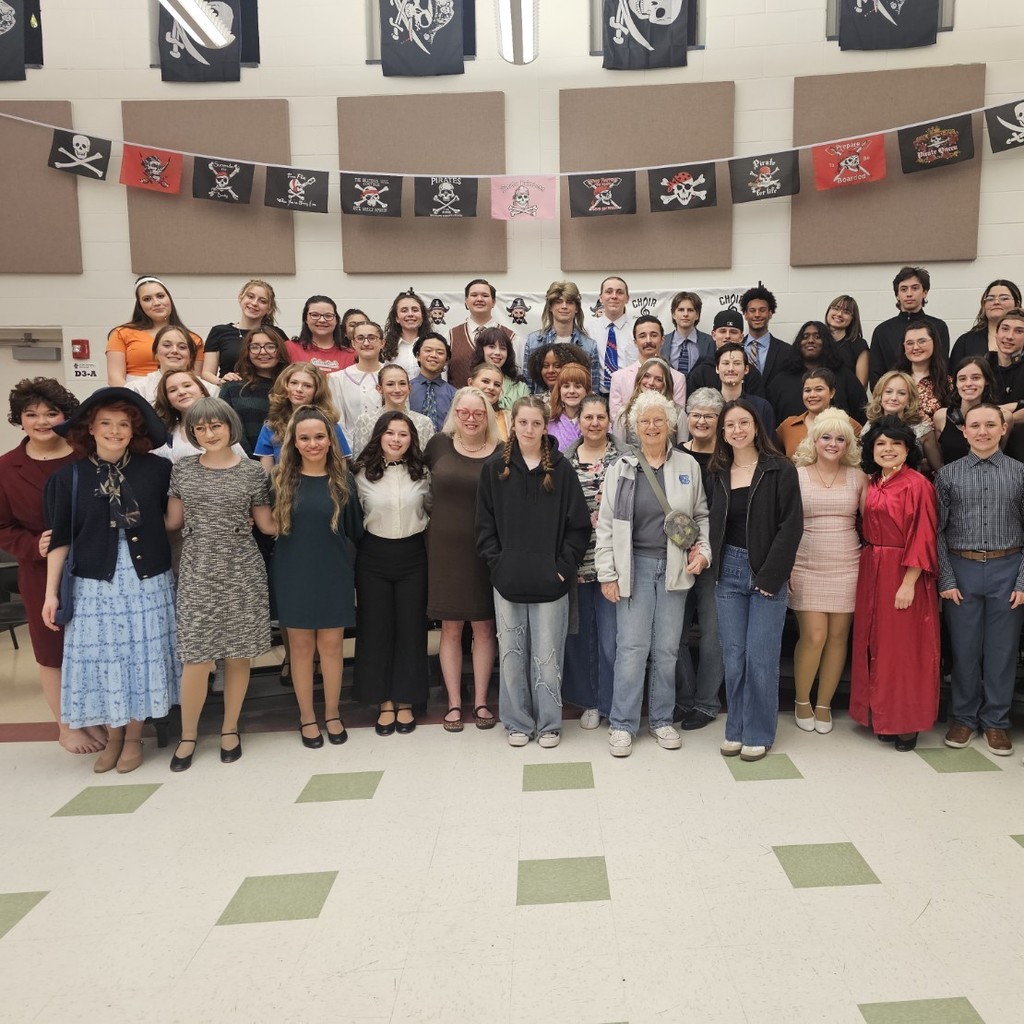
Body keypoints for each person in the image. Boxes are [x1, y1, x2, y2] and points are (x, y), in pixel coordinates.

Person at [42, 389, 180, 774]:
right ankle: (113, 735)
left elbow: (173, 521)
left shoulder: (157, 470)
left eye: (123, 424)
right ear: (91, 427)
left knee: (139, 657)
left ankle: (133, 737)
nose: (115, 431)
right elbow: (61, 538)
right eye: (106, 423)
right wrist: (51, 594)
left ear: (133, 429)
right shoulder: (67, 477)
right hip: (94, 585)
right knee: (107, 660)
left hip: (147, 580)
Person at [596, 391, 711, 758]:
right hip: (635, 568)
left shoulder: (688, 466)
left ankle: (661, 720)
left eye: (658, 420)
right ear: (634, 427)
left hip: (675, 568)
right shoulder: (622, 467)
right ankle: (623, 724)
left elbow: (701, 516)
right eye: (644, 421)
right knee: (631, 648)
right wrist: (607, 573)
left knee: (666, 649)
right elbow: (607, 525)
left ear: (670, 425)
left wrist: (704, 552)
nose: (651, 426)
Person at [164, 399, 275, 771]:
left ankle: (230, 728)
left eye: (215, 426)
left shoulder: (251, 473)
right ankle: (189, 734)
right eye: (199, 429)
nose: (208, 434)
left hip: (242, 569)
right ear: (192, 433)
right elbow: (172, 522)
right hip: (197, 570)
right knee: (196, 658)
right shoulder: (182, 470)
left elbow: (267, 526)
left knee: (238, 654)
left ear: (230, 426)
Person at [476, 396, 591, 747]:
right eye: (522, 423)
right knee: (511, 656)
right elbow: (484, 527)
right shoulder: (494, 469)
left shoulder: (562, 469)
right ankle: (517, 722)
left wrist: (561, 569)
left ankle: (549, 724)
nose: (529, 429)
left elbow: (579, 528)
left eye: (536, 423)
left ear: (546, 427)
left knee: (547, 656)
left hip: (550, 583)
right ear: (512, 424)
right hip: (508, 581)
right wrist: (499, 565)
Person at [0, 378, 92, 753]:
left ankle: (93, 717)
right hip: (38, 570)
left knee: (89, 644)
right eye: (31, 414)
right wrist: (31, 546)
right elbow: (3, 527)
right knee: (51, 648)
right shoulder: (6, 467)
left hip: (91, 563)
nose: (41, 421)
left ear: (65, 416)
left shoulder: (83, 456)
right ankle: (66, 726)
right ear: (19, 419)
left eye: (51, 413)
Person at [708, 399, 803, 762]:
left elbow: (791, 526)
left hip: (766, 572)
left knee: (761, 658)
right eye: (729, 425)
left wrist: (772, 575)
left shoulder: (779, 469)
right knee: (734, 657)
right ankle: (736, 727)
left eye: (743, 422)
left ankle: (759, 732)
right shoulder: (717, 471)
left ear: (756, 426)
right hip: (728, 572)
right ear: (723, 433)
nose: (736, 430)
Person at [271, 407, 364, 748]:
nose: (313, 444)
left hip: (333, 573)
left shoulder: (344, 481)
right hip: (293, 573)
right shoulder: (280, 480)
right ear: (294, 443)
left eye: (319, 437)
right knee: (300, 648)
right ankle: (306, 716)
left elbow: (354, 531)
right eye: (305, 438)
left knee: (332, 647)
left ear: (330, 440)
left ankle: (332, 713)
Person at [936, 403, 1024, 758]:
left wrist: (1022, 580)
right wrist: (945, 577)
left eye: (991, 424)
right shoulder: (947, 476)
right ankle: (962, 718)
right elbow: (938, 532)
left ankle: (997, 722)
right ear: (964, 431)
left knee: (1002, 652)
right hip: (962, 568)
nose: (983, 431)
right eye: (976, 425)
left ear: (1004, 429)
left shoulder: (1020, 473)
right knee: (965, 650)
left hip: (1009, 566)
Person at [850, 417, 940, 752]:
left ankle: (907, 723)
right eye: (881, 444)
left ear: (907, 449)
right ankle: (881, 715)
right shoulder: (873, 481)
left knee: (903, 650)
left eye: (895, 444)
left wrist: (909, 583)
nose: (888, 449)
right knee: (875, 643)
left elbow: (924, 535)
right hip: (871, 567)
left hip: (903, 572)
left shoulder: (917, 485)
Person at [423, 387, 501, 732]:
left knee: (484, 627)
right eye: (464, 412)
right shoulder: (437, 445)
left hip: (485, 550)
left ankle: (481, 701)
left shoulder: (501, 452)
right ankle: (455, 703)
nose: (470, 419)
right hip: (443, 551)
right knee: (451, 627)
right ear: (454, 413)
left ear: (488, 416)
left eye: (478, 413)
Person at [352, 412, 431, 737]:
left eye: (403, 434)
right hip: (373, 556)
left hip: (413, 555)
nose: (397, 439)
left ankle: (407, 700)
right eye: (390, 433)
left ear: (412, 439)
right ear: (379, 436)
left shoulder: (423, 472)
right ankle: (383, 701)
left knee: (411, 629)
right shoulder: (359, 474)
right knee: (377, 629)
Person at [789, 411, 867, 735]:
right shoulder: (797, 474)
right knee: (814, 636)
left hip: (848, 564)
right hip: (805, 563)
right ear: (814, 440)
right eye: (826, 437)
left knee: (838, 637)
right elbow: (785, 524)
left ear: (848, 443)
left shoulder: (858, 476)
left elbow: (872, 521)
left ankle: (824, 704)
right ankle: (801, 700)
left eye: (840, 438)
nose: (832, 444)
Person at [562, 396, 626, 730]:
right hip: (577, 563)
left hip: (615, 565)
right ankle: (588, 702)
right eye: (588, 417)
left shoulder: (627, 458)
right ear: (579, 421)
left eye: (601, 417)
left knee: (611, 638)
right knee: (580, 636)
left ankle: (612, 702)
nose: (595, 423)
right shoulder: (563, 462)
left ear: (609, 420)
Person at [674, 388, 725, 730]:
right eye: (696, 414)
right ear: (686, 418)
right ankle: (684, 697)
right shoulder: (675, 454)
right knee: (672, 633)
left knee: (712, 634)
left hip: (718, 558)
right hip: (676, 555)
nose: (702, 420)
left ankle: (707, 703)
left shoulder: (731, 456)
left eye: (709, 415)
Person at [106, 275, 202, 385]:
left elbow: (195, 380)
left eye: (160, 296)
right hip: (132, 396)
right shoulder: (121, 334)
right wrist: (135, 399)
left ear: (169, 298)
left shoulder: (194, 339)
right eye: (147, 299)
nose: (156, 303)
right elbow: (114, 378)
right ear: (140, 305)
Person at [255, 363, 351, 470]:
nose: (299, 389)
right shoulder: (271, 427)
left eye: (307, 385)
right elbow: (267, 475)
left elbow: (341, 470)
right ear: (285, 386)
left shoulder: (330, 425)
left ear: (317, 391)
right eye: (294, 383)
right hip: (282, 485)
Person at [767, 321, 867, 424]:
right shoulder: (781, 381)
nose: (810, 340)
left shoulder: (845, 377)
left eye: (817, 337)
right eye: (805, 337)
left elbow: (861, 415)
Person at [869, 266, 950, 387]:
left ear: (925, 292)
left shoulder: (939, 327)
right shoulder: (882, 331)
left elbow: (942, 367)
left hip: (932, 397)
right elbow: (876, 374)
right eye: (903, 289)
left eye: (915, 288)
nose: (909, 294)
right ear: (897, 295)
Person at [219, 327, 291, 458]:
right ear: (247, 352)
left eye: (270, 346)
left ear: (280, 351)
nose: (262, 352)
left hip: (286, 465)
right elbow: (228, 429)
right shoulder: (232, 387)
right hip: (243, 464)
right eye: (255, 347)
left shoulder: (290, 387)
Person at [201, 279, 287, 388]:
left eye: (262, 301)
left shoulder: (277, 334)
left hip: (268, 393)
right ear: (241, 298)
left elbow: (287, 367)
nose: (254, 303)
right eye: (250, 297)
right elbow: (206, 373)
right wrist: (221, 381)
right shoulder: (219, 332)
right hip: (230, 393)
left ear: (269, 309)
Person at [150, 370, 248, 464]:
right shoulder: (166, 434)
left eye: (187, 385)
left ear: (201, 390)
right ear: (168, 401)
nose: (181, 392)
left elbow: (243, 465)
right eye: (172, 390)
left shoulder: (222, 426)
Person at [608, 316, 686, 427]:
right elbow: (616, 420)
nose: (648, 340)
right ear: (635, 342)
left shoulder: (678, 378)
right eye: (642, 336)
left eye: (654, 335)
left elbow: (677, 421)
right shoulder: (619, 378)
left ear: (662, 340)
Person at [523, 281, 600, 391]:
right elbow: (527, 385)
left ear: (577, 308)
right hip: (541, 406)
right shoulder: (533, 341)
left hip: (576, 406)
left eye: (569, 302)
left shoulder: (589, 346)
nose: (564, 306)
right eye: (558, 302)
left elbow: (592, 389)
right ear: (550, 307)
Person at [348, 364, 435, 458]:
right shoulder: (365, 420)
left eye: (402, 384)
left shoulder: (423, 422)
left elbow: (427, 462)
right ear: (379, 388)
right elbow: (359, 461)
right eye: (390, 384)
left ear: (409, 388)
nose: (397, 390)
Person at [865, 371, 943, 474]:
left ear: (909, 400)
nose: (893, 398)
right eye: (888, 392)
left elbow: (940, 469)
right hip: (876, 487)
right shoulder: (869, 426)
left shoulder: (922, 429)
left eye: (901, 393)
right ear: (880, 396)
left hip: (912, 486)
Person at [932, 357, 1006, 466]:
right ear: (956, 383)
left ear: (987, 381)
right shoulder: (941, 417)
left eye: (975, 378)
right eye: (962, 379)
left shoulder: (1004, 417)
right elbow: (940, 459)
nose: (968, 383)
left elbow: (1000, 455)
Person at [777, 368, 861, 458]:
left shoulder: (849, 424)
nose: (812, 395)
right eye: (807, 390)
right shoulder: (788, 426)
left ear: (832, 393)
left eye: (819, 389)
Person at [448, 279, 517, 387]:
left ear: (493, 302)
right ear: (466, 301)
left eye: (485, 295)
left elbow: (517, 377)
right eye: (474, 295)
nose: (479, 299)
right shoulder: (450, 336)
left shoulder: (512, 337)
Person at [686, 309, 767, 397]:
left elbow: (758, 407)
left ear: (741, 337)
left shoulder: (752, 374)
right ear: (713, 335)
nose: (727, 336)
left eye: (733, 332)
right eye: (722, 331)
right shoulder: (700, 372)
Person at [126, 325, 213, 404]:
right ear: (155, 353)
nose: (174, 351)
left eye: (182, 347)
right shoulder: (135, 389)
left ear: (191, 356)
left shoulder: (210, 390)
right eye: (167, 345)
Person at [329, 320, 386, 435]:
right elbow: (338, 422)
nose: (366, 343)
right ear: (353, 343)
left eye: (372, 338)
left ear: (382, 343)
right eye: (360, 338)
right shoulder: (338, 379)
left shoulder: (394, 374)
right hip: (353, 447)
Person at [612, 357, 686, 445]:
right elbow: (619, 450)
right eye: (646, 376)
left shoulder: (679, 414)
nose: (651, 382)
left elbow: (683, 450)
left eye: (658, 379)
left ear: (666, 383)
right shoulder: (624, 413)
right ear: (639, 378)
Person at [949, 279, 1022, 367]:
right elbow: (954, 376)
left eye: (1004, 298)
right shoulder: (965, 342)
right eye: (990, 299)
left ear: (1017, 304)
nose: (996, 302)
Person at [712, 343, 776, 438]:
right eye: (725, 363)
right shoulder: (708, 407)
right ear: (717, 368)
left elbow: (769, 447)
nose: (731, 369)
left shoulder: (761, 408)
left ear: (746, 369)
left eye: (737, 363)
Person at [893, 321, 953, 419]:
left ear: (934, 343)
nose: (916, 347)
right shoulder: (892, 380)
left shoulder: (948, 383)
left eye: (922, 341)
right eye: (910, 343)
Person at [590, 275, 637, 394]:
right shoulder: (588, 329)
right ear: (601, 298)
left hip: (630, 395)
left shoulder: (638, 330)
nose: (614, 296)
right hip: (598, 396)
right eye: (609, 292)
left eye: (619, 292)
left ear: (627, 298)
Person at [286, 295, 354, 375]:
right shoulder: (289, 348)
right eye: (315, 315)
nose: (322, 320)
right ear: (305, 319)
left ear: (336, 320)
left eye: (328, 316)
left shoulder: (352, 355)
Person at [740, 285, 789, 391]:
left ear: (770, 313)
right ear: (745, 315)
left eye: (762, 310)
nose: (757, 315)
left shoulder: (787, 351)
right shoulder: (736, 348)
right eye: (752, 310)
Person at [469, 327, 530, 411]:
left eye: (502, 348)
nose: (497, 352)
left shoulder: (521, 388)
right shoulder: (475, 381)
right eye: (492, 346)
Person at [408, 333, 456, 432]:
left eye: (440, 352)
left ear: (446, 360)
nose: (433, 355)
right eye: (428, 350)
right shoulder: (406, 389)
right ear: (418, 355)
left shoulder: (454, 394)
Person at [662, 290, 714, 379]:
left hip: (701, 392)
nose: (685, 314)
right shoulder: (662, 342)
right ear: (673, 314)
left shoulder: (710, 341)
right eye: (681, 310)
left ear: (697, 315)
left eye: (690, 310)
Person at [527, 341, 592, 410]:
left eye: (557, 366)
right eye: (545, 366)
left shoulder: (590, 400)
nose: (550, 370)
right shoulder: (534, 403)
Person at [382, 288, 431, 377]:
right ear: (397, 318)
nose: (410, 314)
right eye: (404, 310)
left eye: (415, 310)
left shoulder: (433, 344)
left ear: (422, 316)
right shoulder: (385, 347)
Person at [825, 294, 869, 387]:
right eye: (836, 308)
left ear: (853, 319)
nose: (839, 314)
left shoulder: (859, 345)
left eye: (846, 312)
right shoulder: (817, 342)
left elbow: (861, 386)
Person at [546, 362, 591, 451]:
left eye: (577, 386)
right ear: (559, 391)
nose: (571, 391)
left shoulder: (596, 420)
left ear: (586, 391)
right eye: (566, 386)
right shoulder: (548, 421)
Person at [468, 361, 512, 441]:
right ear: (470, 383)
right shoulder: (460, 415)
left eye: (497, 385)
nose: (491, 387)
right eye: (485, 381)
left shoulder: (509, 417)